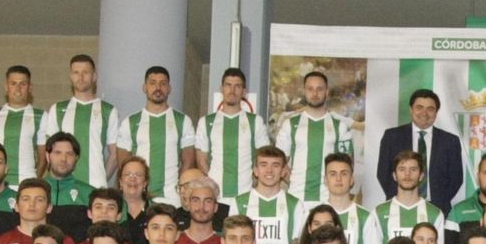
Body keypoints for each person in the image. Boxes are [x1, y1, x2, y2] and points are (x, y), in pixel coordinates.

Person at [116, 66, 195, 207]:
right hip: (138, 198)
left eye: (163, 83)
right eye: (152, 83)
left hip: (172, 199)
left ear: (169, 88)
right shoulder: (130, 122)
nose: (158, 88)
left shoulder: (183, 121)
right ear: (144, 87)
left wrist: (179, 188)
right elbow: (124, 164)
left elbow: (188, 161)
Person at [38, 54, 119, 188]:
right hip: (63, 186)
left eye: (85, 72)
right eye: (76, 72)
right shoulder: (58, 109)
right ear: (71, 77)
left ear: (94, 76)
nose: (80, 77)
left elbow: (115, 154)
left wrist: (101, 177)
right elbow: (50, 151)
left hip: (95, 186)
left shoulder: (108, 110)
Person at [275, 71, 356, 203]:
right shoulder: (290, 124)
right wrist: (295, 180)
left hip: (328, 200)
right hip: (297, 198)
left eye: (319, 89)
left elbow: (348, 165)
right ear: (304, 91)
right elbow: (278, 163)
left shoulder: (340, 126)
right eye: (310, 89)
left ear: (327, 92)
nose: (315, 94)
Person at [376, 88, 462, 213]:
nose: (424, 113)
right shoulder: (392, 137)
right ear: (411, 109)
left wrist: (438, 202)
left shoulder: (450, 141)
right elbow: (383, 174)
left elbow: (456, 178)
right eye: (419, 107)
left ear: (436, 112)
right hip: (399, 208)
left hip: (437, 209)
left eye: (430, 109)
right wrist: (402, 200)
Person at [366, 150, 444, 244]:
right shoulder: (380, 212)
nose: (407, 174)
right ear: (394, 175)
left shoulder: (435, 214)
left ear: (421, 175)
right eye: (402, 169)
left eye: (413, 169)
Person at [194, 68, 269, 204]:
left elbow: (264, 157)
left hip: (246, 195)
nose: (232, 90)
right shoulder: (206, 122)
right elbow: (201, 160)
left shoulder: (255, 121)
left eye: (237, 86)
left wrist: (254, 181)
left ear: (244, 92)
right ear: (222, 88)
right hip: (217, 197)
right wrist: (213, 184)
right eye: (228, 85)